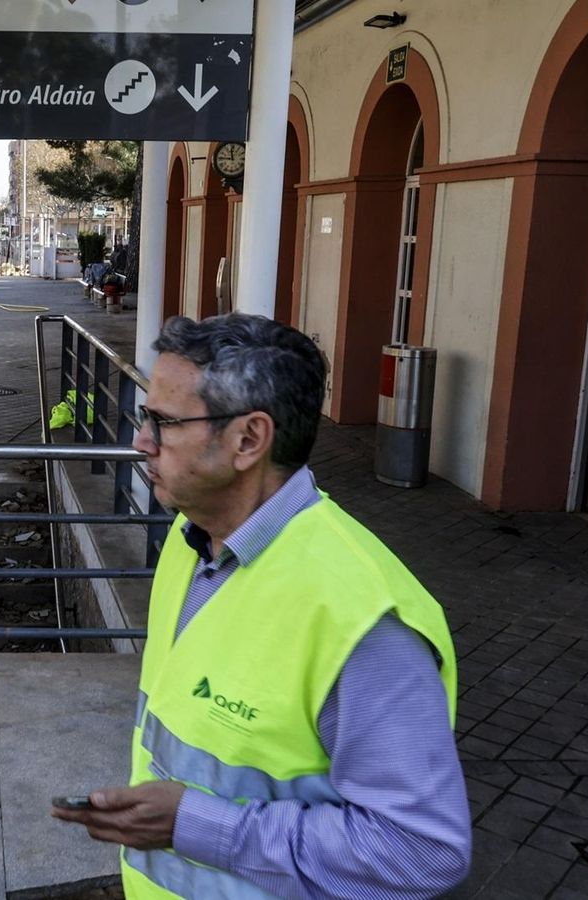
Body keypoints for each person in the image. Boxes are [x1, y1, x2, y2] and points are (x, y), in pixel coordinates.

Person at [53, 314, 470, 898]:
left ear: (249, 440)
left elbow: (418, 853)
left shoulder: (363, 623)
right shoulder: (190, 538)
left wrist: (195, 825)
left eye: (164, 423)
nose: (140, 441)